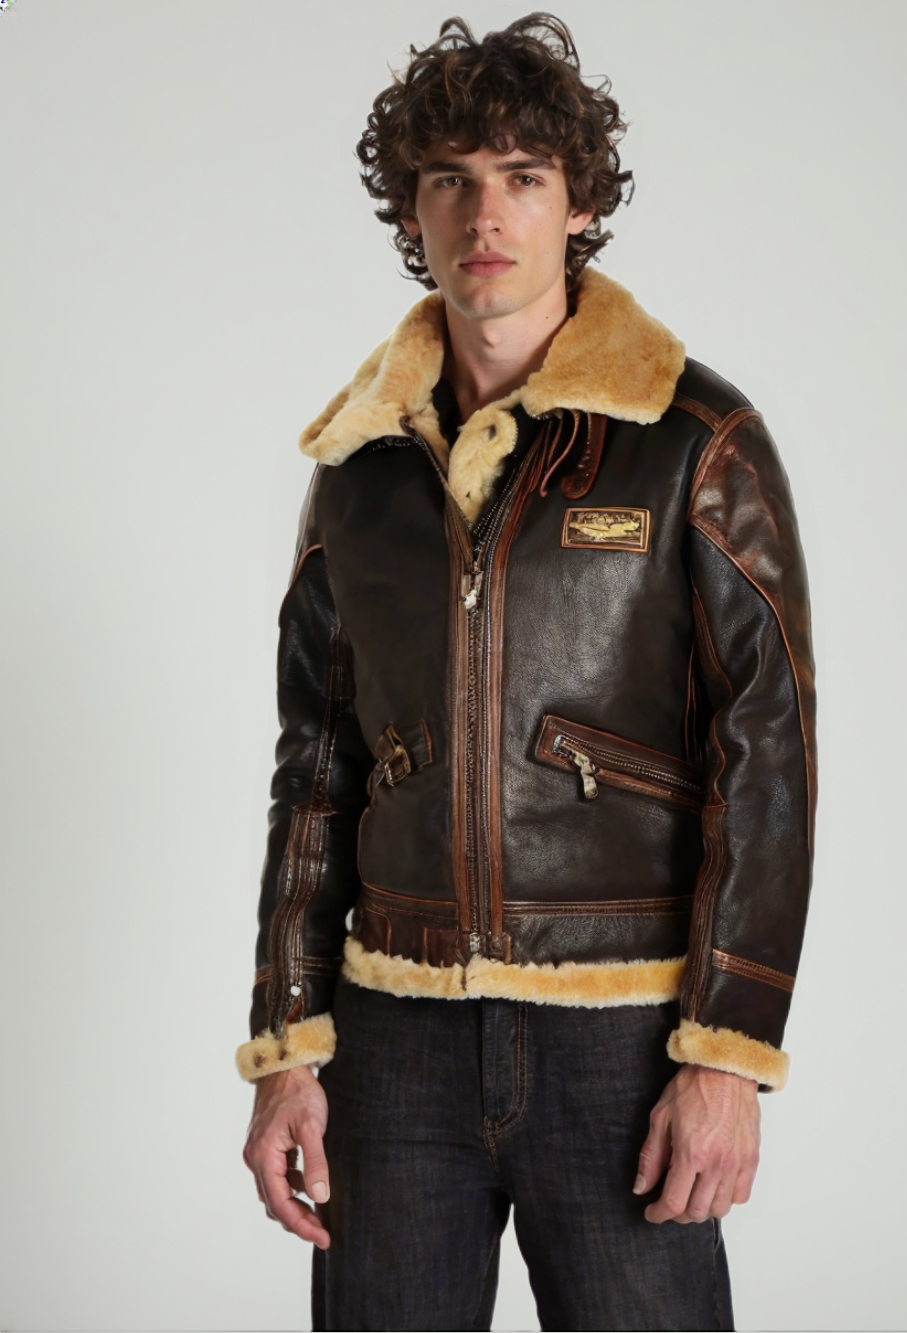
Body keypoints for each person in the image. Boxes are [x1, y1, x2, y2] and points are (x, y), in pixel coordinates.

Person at [237, 13, 816, 1331]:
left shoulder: (693, 440)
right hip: (393, 1043)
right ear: (413, 210)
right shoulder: (360, 467)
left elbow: (767, 755)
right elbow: (315, 765)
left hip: (622, 1038)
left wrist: (729, 1054)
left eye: (522, 175)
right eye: (449, 178)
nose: (484, 213)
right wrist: (288, 1044)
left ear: (580, 203)